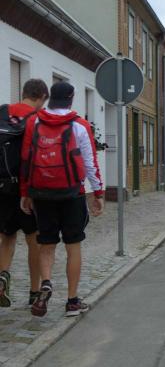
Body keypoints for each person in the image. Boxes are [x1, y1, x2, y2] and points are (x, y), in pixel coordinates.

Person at [19, 81, 104, 317]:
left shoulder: (34, 122)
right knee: (72, 246)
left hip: (42, 193)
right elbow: (90, 163)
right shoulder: (80, 125)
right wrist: (98, 193)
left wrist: (25, 193)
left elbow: (26, 159)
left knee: (46, 244)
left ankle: (46, 282)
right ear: (71, 98)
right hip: (72, 193)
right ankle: (72, 301)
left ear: (50, 98)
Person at [0, 79, 49, 307]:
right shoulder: (38, 119)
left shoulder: (3, 112)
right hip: (27, 190)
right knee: (33, 240)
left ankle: (2, 279)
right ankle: (34, 291)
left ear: (24, 93)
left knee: (7, 237)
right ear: (41, 97)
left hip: (2, 188)